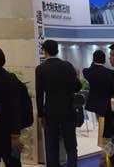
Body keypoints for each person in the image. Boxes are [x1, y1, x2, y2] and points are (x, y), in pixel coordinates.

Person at [35, 39, 80, 167]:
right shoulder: (68, 66)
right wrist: (76, 76)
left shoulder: (41, 69)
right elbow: (77, 87)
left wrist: (40, 114)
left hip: (50, 112)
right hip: (68, 110)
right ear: (57, 50)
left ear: (44, 51)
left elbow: (39, 94)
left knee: (52, 145)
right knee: (71, 145)